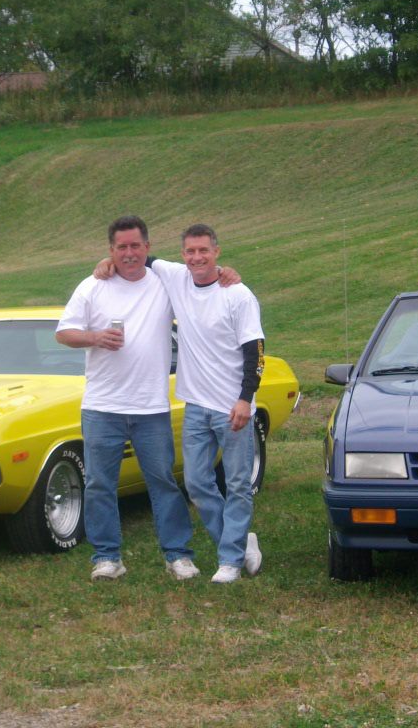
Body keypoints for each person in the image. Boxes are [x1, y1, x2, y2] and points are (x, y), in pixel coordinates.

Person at [56, 216, 200, 582]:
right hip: (102, 407)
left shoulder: (164, 285)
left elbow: (203, 276)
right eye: (121, 247)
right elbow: (64, 332)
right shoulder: (93, 286)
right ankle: (107, 558)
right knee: (99, 484)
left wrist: (227, 273)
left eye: (136, 245)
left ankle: (178, 556)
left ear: (147, 248)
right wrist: (95, 338)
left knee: (163, 481)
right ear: (111, 250)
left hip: (151, 407)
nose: (129, 253)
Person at [148, 224, 265, 584]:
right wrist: (106, 263)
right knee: (197, 483)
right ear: (182, 254)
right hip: (196, 405)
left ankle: (229, 561)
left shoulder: (238, 295)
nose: (197, 257)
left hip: (233, 408)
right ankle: (240, 542)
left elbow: (256, 352)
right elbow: (140, 258)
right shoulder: (176, 277)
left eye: (203, 250)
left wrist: (245, 399)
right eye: (190, 251)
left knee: (238, 484)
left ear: (217, 251)